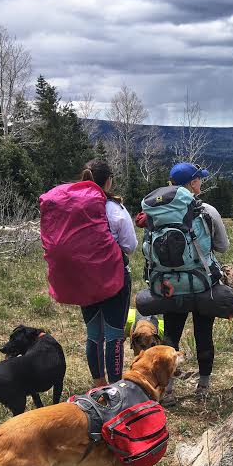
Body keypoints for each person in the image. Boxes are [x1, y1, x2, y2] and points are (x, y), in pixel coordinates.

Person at [159, 162, 229, 405]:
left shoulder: (157, 211)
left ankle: (167, 390)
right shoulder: (206, 210)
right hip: (201, 283)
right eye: (199, 179)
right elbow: (222, 246)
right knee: (203, 334)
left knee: (171, 336)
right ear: (191, 184)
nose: (201, 182)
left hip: (170, 285)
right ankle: (203, 387)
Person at [79, 159, 137, 387]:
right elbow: (130, 246)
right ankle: (115, 389)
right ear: (109, 181)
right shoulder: (114, 209)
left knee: (93, 334)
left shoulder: (75, 207)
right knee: (113, 336)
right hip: (114, 279)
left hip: (83, 280)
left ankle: (98, 384)